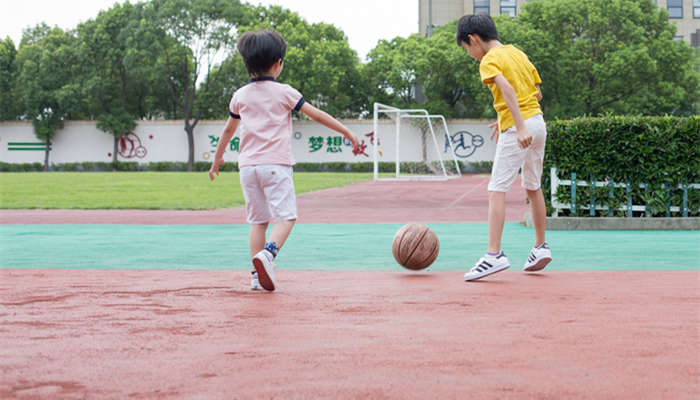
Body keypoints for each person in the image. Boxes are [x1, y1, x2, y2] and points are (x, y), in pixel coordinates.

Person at [209, 30, 360, 291]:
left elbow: (228, 131)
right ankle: (269, 254)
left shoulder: (240, 95)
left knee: (258, 222)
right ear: (278, 63)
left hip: (247, 168)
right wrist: (345, 131)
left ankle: (256, 277)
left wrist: (217, 158)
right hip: (275, 165)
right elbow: (317, 115)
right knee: (287, 218)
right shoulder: (285, 92)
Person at [456, 14, 551, 281]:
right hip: (539, 124)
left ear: (472, 39)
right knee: (533, 187)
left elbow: (507, 89)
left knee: (496, 190)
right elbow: (536, 93)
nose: (471, 55)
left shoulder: (489, 60)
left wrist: (517, 125)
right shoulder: (517, 54)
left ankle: (493, 254)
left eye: (467, 49)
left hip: (520, 127)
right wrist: (507, 120)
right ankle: (540, 247)